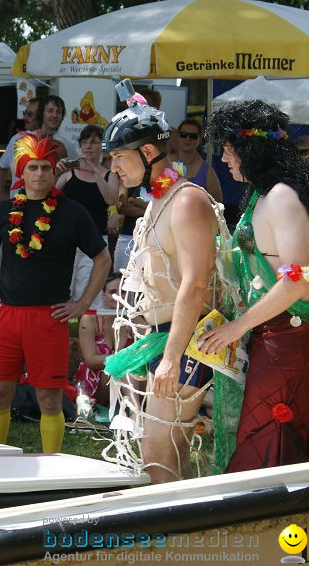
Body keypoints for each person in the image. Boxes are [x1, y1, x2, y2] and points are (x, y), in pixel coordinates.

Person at [201, 100, 309, 473]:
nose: (225, 160)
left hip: (288, 333)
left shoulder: (282, 196)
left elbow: (296, 279)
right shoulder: (263, 195)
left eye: (229, 151)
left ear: (252, 150)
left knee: (270, 433)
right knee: (267, 431)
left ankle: (272, 518)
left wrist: (237, 326)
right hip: (273, 329)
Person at [103, 90, 221, 483]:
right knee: (166, 446)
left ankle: (178, 540)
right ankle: (189, 537)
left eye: (119, 156)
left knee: (158, 449)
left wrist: (170, 357)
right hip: (164, 334)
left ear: (149, 151)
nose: (114, 166)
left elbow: (196, 283)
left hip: (183, 338)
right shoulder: (158, 199)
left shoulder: (186, 201)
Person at [0, 132, 110, 454]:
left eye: (45, 168)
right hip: (6, 314)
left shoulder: (73, 212)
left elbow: (102, 258)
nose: (39, 174)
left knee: (50, 397)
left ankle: (52, 461)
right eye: (33, 167)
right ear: (21, 172)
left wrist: (82, 303)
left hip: (50, 317)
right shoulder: (2, 211)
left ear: (55, 172)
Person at [55, 125, 119, 310]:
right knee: (62, 286)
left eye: (94, 142)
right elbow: (50, 197)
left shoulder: (109, 175)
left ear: (102, 147)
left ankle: (90, 335)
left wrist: (94, 170)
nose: (88, 146)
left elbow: (111, 198)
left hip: (95, 241)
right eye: (85, 142)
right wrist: (56, 173)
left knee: (90, 290)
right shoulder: (69, 172)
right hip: (66, 239)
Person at [73, 274, 129, 409]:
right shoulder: (90, 319)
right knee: (122, 369)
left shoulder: (135, 320)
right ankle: (135, 412)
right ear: (104, 295)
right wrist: (125, 358)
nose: (118, 296)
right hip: (97, 378)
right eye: (112, 292)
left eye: (123, 292)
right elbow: (91, 360)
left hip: (127, 376)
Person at [0, 98, 39, 200]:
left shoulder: (57, 142)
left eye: (30, 114)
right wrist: (1, 197)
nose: (25, 117)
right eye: (25, 113)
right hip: (17, 208)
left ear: (41, 117)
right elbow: (1, 166)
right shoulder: (17, 139)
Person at [173, 118, 222, 202]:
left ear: (199, 139)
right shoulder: (166, 163)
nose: (188, 139)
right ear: (177, 136)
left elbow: (217, 203)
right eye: (183, 134)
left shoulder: (207, 172)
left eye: (193, 136)